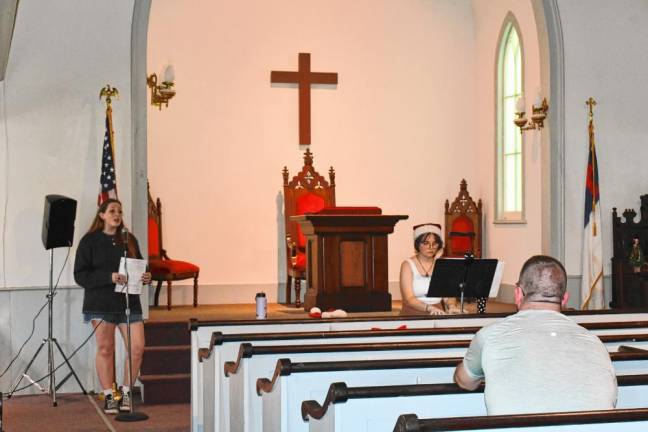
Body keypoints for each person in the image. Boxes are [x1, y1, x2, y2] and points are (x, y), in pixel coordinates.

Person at [453, 255, 617, 415]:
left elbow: (464, 381)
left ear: (518, 294)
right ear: (565, 299)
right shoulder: (595, 343)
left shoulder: (489, 335)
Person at [74, 199, 152, 414]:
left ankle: (126, 392)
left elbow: (141, 266)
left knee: (137, 348)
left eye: (119, 211)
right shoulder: (89, 241)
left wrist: (146, 276)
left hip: (129, 303)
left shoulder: (128, 239)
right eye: (112, 211)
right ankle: (109, 395)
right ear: (101, 215)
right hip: (100, 303)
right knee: (106, 348)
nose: (116, 214)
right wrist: (109, 277)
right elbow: (80, 275)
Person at [399, 223, 445, 315]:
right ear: (417, 244)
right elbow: (409, 299)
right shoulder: (407, 265)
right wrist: (429, 308)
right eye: (426, 243)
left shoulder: (441, 264)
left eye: (435, 243)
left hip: (438, 310)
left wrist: (452, 306)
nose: (431, 247)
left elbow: (448, 295)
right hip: (414, 310)